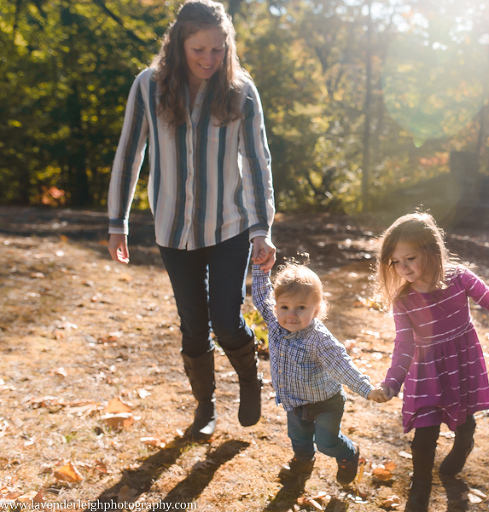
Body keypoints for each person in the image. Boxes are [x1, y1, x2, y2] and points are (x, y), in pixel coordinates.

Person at [107, 0, 276, 441]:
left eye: (218, 50)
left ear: (228, 48)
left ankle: (249, 379)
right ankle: (205, 408)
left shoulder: (241, 91)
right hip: (171, 227)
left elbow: (257, 162)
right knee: (193, 324)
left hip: (229, 226)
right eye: (199, 49)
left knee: (226, 319)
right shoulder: (149, 86)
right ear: (179, 44)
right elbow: (130, 153)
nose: (208, 59)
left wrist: (262, 230)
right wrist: (117, 222)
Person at [369, 212, 489, 512]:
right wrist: (392, 381)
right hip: (427, 373)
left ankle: (464, 443)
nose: (403, 267)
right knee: (425, 435)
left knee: (464, 418)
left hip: (461, 362)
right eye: (397, 262)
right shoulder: (404, 301)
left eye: (410, 258)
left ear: (431, 251)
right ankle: (419, 489)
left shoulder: (459, 278)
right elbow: (404, 344)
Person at [251, 263, 385, 488]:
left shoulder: (318, 339)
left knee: (326, 443)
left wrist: (367, 389)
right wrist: (259, 266)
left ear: (316, 309)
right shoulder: (275, 324)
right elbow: (260, 294)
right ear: (276, 307)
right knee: (299, 438)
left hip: (326, 403)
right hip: (294, 400)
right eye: (284, 307)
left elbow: (342, 366)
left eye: (301, 307)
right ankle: (303, 464)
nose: (291, 315)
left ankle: (348, 454)